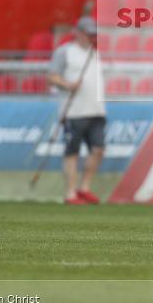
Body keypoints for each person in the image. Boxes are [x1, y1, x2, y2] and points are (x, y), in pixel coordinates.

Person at [47, 16, 105, 205]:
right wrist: (68, 85)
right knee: (72, 152)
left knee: (98, 149)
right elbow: (52, 77)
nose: (92, 38)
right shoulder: (65, 52)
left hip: (96, 110)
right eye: (89, 34)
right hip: (73, 112)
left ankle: (84, 187)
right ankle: (70, 193)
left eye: (94, 34)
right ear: (78, 33)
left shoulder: (95, 53)